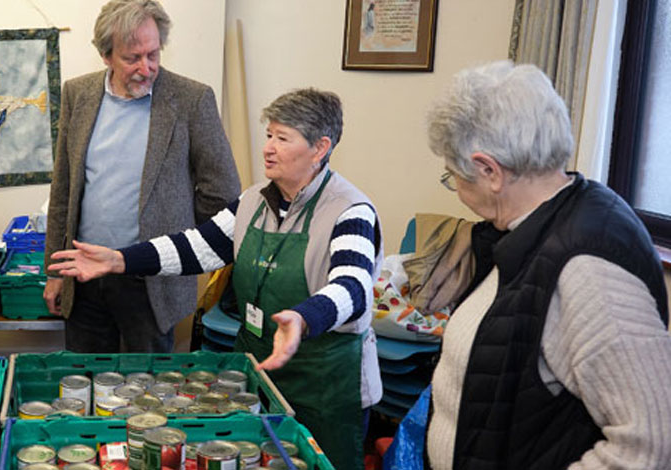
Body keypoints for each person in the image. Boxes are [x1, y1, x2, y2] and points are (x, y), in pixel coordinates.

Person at [50, 89, 382, 470]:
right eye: (269, 135)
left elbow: (352, 287)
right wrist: (120, 259)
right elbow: (197, 247)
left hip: (326, 385)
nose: (268, 148)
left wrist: (305, 317)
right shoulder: (255, 200)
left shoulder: (350, 209)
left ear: (320, 147)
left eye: (282, 138)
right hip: (259, 370)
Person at [423, 61, 671, 468]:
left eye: (454, 176)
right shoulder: (531, 226)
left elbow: (651, 444)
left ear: (489, 171)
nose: (456, 190)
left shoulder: (590, 268)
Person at [43, 0, 241, 353]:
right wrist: (56, 271)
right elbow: (64, 189)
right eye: (132, 58)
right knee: (84, 384)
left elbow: (221, 193)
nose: (145, 68)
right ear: (106, 55)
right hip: (84, 276)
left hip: (150, 281)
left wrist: (185, 248)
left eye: (153, 55)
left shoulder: (192, 99)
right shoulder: (78, 94)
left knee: (148, 393)